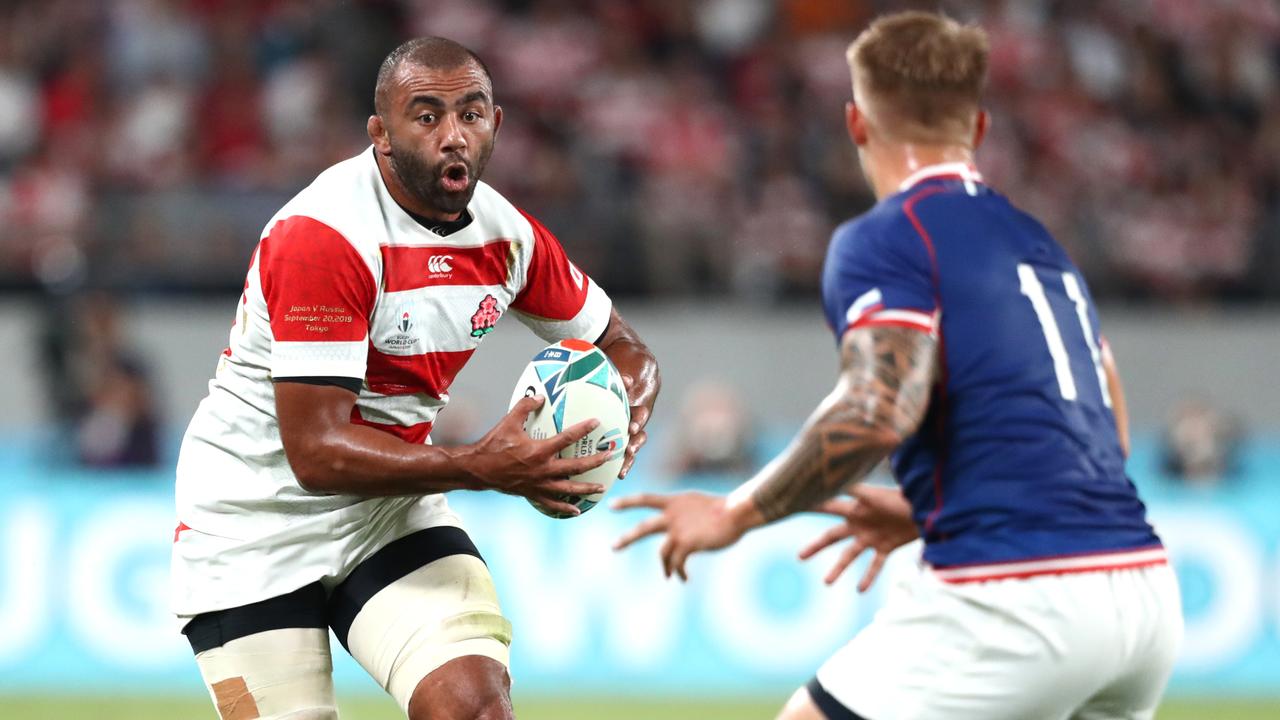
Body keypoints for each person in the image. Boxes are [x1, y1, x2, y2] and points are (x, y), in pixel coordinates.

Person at [614, 11, 1180, 720]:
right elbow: (1109, 437)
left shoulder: (888, 236)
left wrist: (733, 513)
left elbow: (878, 408)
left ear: (856, 123)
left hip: (1019, 591)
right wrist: (929, 507)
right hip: (1142, 592)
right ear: (978, 129)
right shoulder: (1042, 245)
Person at [170, 37, 660, 720]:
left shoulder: (507, 237)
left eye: (472, 114)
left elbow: (624, 346)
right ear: (382, 135)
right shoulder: (325, 236)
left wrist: (626, 413)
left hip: (388, 511)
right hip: (253, 524)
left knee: (477, 712)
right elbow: (315, 453)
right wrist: (483, 467)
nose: (453, 136)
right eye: (426, 116)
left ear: (497, 124)